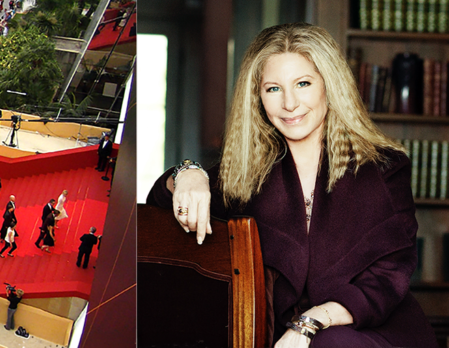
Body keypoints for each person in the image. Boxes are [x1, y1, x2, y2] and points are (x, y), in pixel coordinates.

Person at [146, 23, 436, 347]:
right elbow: (158, 207)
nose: (289, 104)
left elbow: (389, 276)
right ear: (257, 97)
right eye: (273, 89)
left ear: (329, 85)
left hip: (372, 331)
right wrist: (189, 174)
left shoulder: (384, 168)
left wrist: (310, 323)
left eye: (303, 84)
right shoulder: (245, 173)